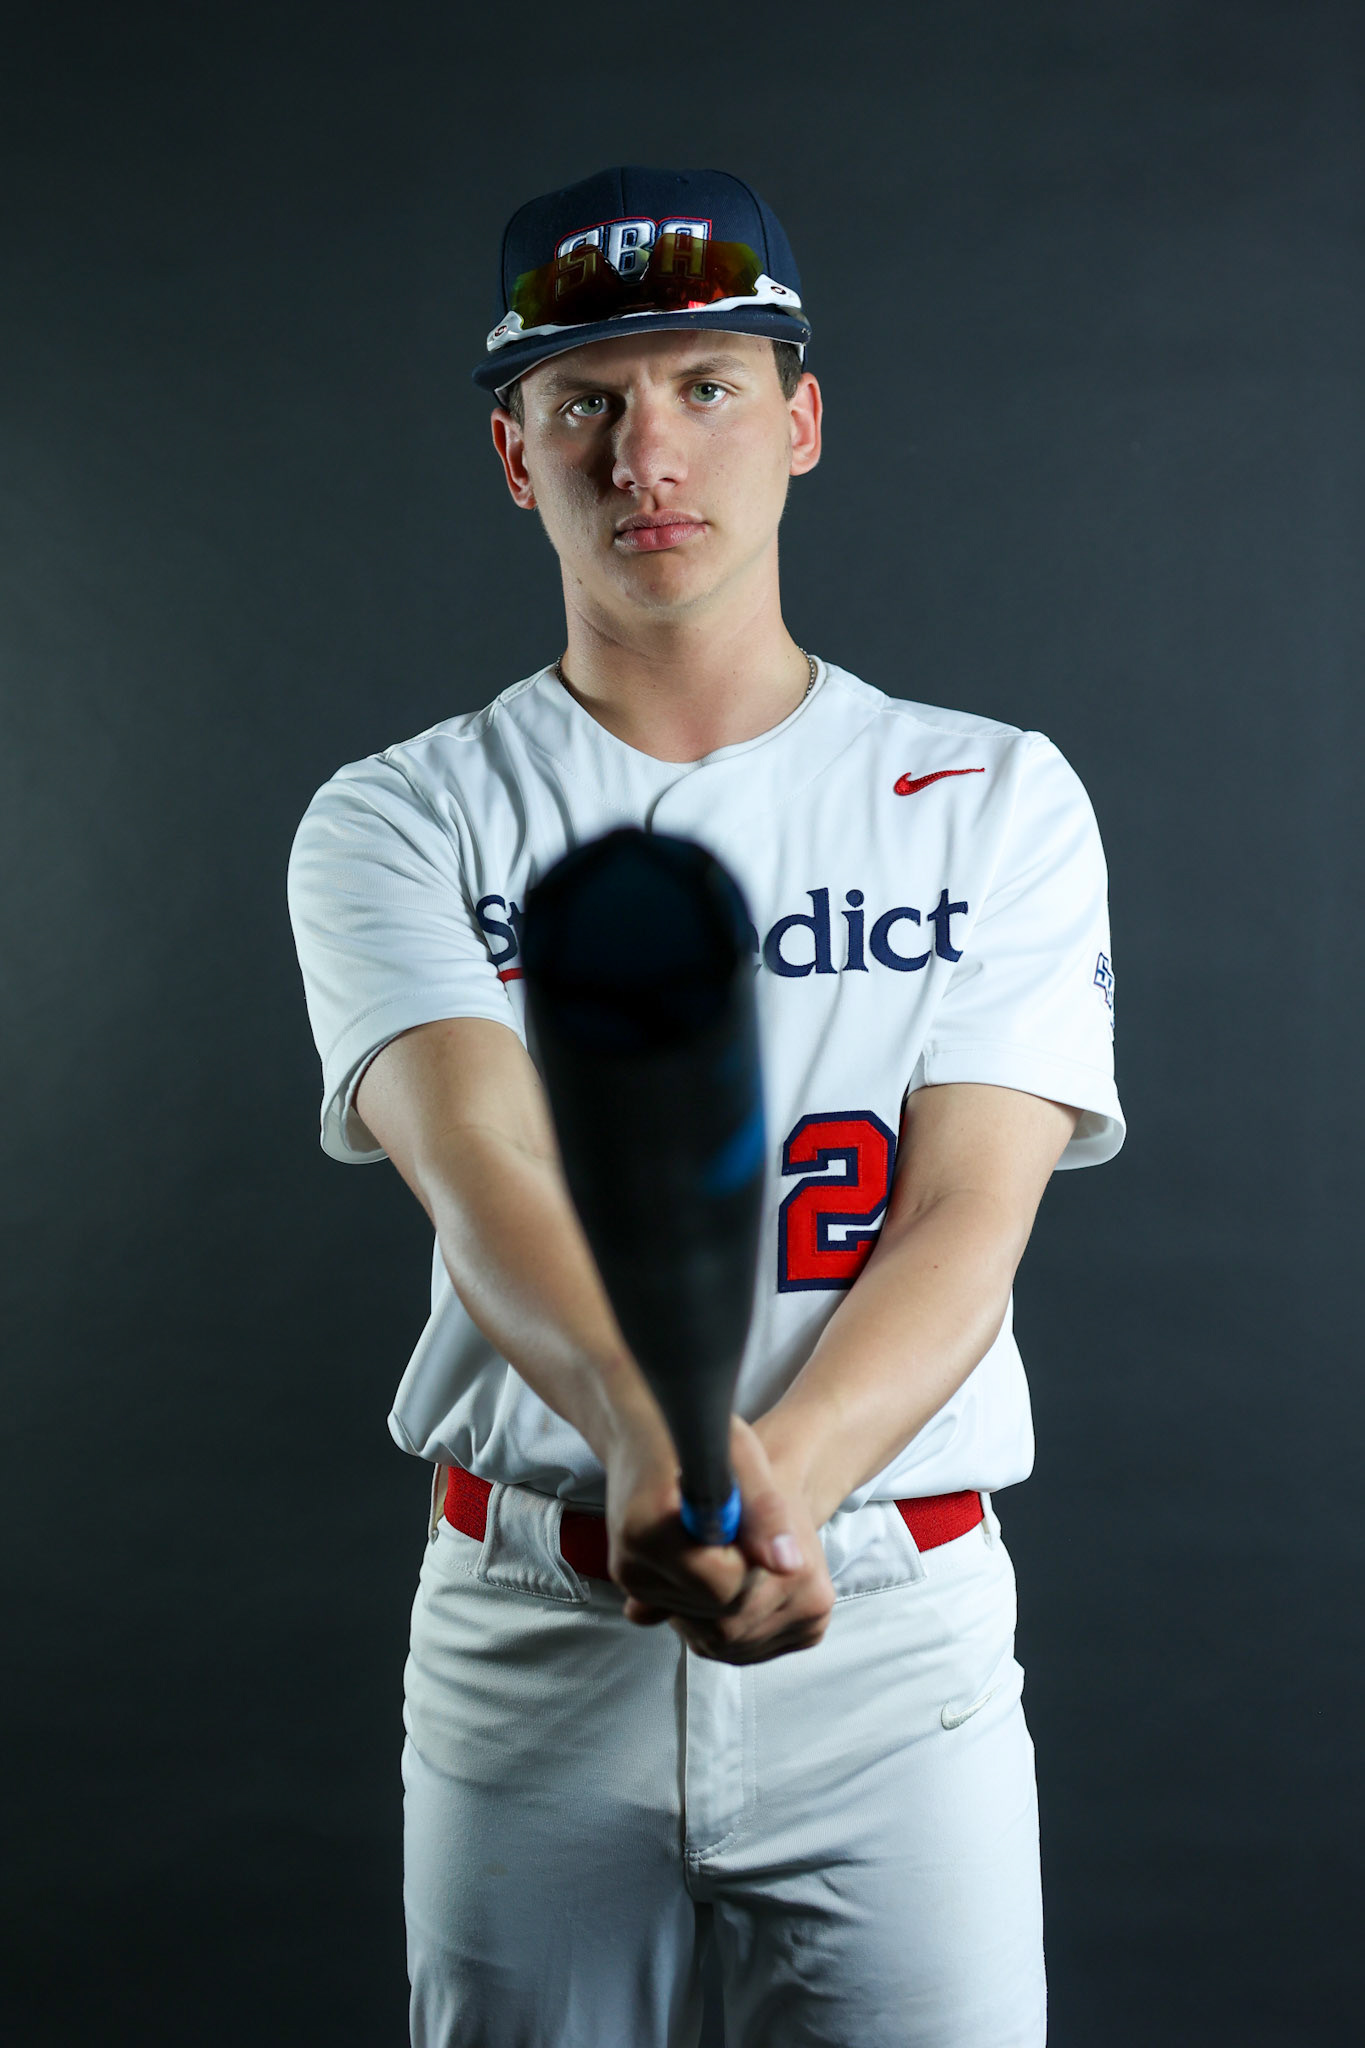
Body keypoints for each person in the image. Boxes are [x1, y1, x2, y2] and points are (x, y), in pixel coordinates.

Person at [286, 164, 1125, 2048]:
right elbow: (484, 1165)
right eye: (582, 402)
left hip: (892, 1629)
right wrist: (646, 1446)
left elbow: (965, 1214)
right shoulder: (403, 813)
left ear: (801, 421)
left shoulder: (989, 795)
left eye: (705, 387)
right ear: (516, 455)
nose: (643, 450)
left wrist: (789, 1482)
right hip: (532, 1621)